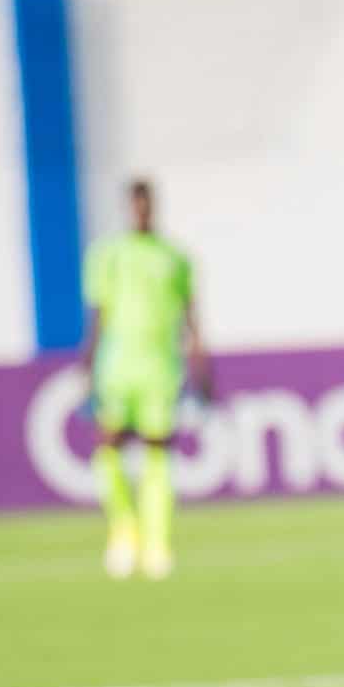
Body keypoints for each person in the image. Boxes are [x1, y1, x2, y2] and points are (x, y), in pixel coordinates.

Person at [80, 178, 211, 580]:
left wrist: (200, 363)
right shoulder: (109, 255)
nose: (140, 211)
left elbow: (191, 318)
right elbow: (98, 313)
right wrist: (88, 365)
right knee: (109, 449)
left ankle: (157, 542)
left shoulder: (175, 257)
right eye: (134, 205)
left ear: (153, 206)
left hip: (160, 369)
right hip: (116, 368)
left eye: (146, 204)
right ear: (127, 208)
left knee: (158, 454)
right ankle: (123, 530)